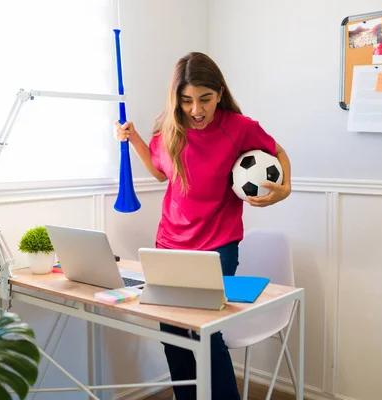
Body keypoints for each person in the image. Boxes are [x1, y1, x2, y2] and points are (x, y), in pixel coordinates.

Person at [114, 52, 291, 400]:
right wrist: (133, 139)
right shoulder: (170, 127)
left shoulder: (240, 129)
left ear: (219, 94)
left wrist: (284, 190)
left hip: (218, 246)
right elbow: (159, 172)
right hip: (169, 243)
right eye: (187, 100)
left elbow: (279, 153)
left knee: (205, 333)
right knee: (174, 334)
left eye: (205, 99)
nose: (196, 109)